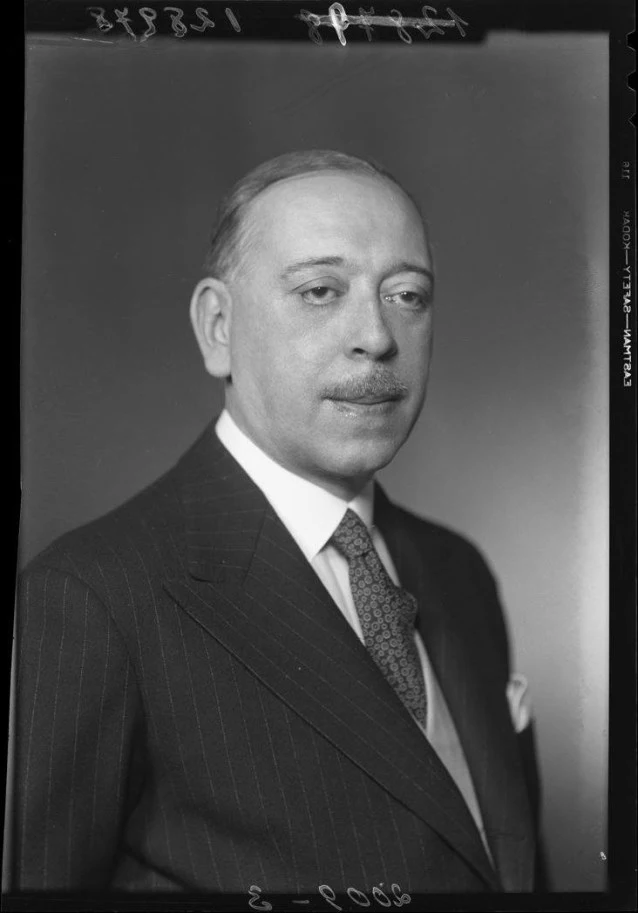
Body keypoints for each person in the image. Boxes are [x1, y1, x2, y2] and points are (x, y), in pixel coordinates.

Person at [11, 150, 543, 896]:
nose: (377, 336)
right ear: (218, 327)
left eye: (407, 295)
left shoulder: (458, 569)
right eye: (320, 290)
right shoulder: (91, 597)